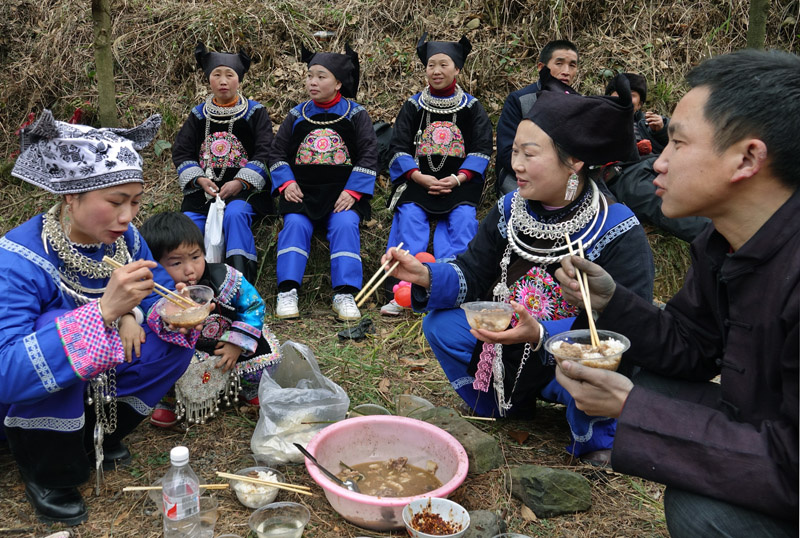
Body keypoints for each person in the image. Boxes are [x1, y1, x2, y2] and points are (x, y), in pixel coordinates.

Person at [552, 49, 800, 537]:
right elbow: (692, 346)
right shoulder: (722, 241)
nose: (658, 163)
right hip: (769, 427)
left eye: (678, 144)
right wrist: (612, 302)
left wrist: (634, 410)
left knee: (702, 511)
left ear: (747, 158)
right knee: (653, 384)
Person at [382, 72, 654, 465]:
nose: (516, 165)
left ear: (575, 161)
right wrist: (424, 275)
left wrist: (542, 334)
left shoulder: (617, 227)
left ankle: (596, 435)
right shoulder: (510, 209)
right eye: (514, 153)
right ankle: (502, 400)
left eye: (530, 154)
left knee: (597, 353)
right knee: (441, 324)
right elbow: (473, 271)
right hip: (510, 342)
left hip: (572, 358)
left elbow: (627, 327)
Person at [0, 111, 199, 525]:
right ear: (71, 197)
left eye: (135, 202)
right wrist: (107, 311)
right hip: (25, 397)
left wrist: (157, 310)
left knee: (172, 335)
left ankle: (99, 433)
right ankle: (48, 471)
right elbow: (7, 371)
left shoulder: (126, 240)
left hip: (98, 373)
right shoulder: (19, 259)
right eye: (115, 202)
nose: (127, 217)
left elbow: (156, 287)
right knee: (54, 326)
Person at [382, 32, 493, 315]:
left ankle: (454, 288)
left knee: (463, 220)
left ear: (457, 69)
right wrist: (417, 176)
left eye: (444, 65)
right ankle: (403, 291)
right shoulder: (413, 106)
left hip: (460, 183)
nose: (436, 71)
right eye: (431, 65)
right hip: (418, 181)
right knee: (410, 217)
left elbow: (481, 149)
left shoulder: (472, 107)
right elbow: (398, 147)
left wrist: (458, 178)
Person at [268, 44, 378, 321]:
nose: (312, 82)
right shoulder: (297, 114)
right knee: (294, 225)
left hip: (342, 195)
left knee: (345, 224)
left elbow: (369, 153)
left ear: (338, 83)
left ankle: (344, 294)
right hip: (301, 194)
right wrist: (286, 183)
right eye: (309, 76)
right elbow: (277, 153)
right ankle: (287, 291)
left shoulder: (356, 114)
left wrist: (353, 191)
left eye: (321, 76)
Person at [139, 212, 281, 427]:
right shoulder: (155, 296)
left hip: (227, 345)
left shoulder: (225, 278)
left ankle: (247, 387)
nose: (190, 270)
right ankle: (170, 401)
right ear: (155, 266)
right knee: (162, 359)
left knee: (262, 354)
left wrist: (237, 343)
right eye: (176, 263)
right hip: (187, 354)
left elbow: (254, 306)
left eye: (196, 257)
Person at [172, 43, 275, 284]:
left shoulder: (255, 113)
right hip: (203, 192)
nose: (223, 81)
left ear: (239, 80)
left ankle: (241, 282)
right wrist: (199, 179)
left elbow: (265, 150)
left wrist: (240, 181)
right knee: (189, 225)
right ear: (208, 79)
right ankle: (193, 286)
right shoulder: (199, 114)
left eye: (230, 75)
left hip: (244, 192)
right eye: (216, 75)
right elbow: (182, 151)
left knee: (235, 215)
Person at [495, 39, 579, 196]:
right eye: (559, 63)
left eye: (572, 65)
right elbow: (506, 152)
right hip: (521, 177)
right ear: (541, 67)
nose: (566, 71)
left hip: (566, 178)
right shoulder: (520, 100)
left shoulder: (580, 104)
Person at [605, 72, 669, 156]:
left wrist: (661, 131)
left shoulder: (649, 124)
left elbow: (677, 144)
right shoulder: (596, 119)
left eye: (631, 95)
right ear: (608, 98)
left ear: (639, 105)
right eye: (619, 93)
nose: (625, 97)